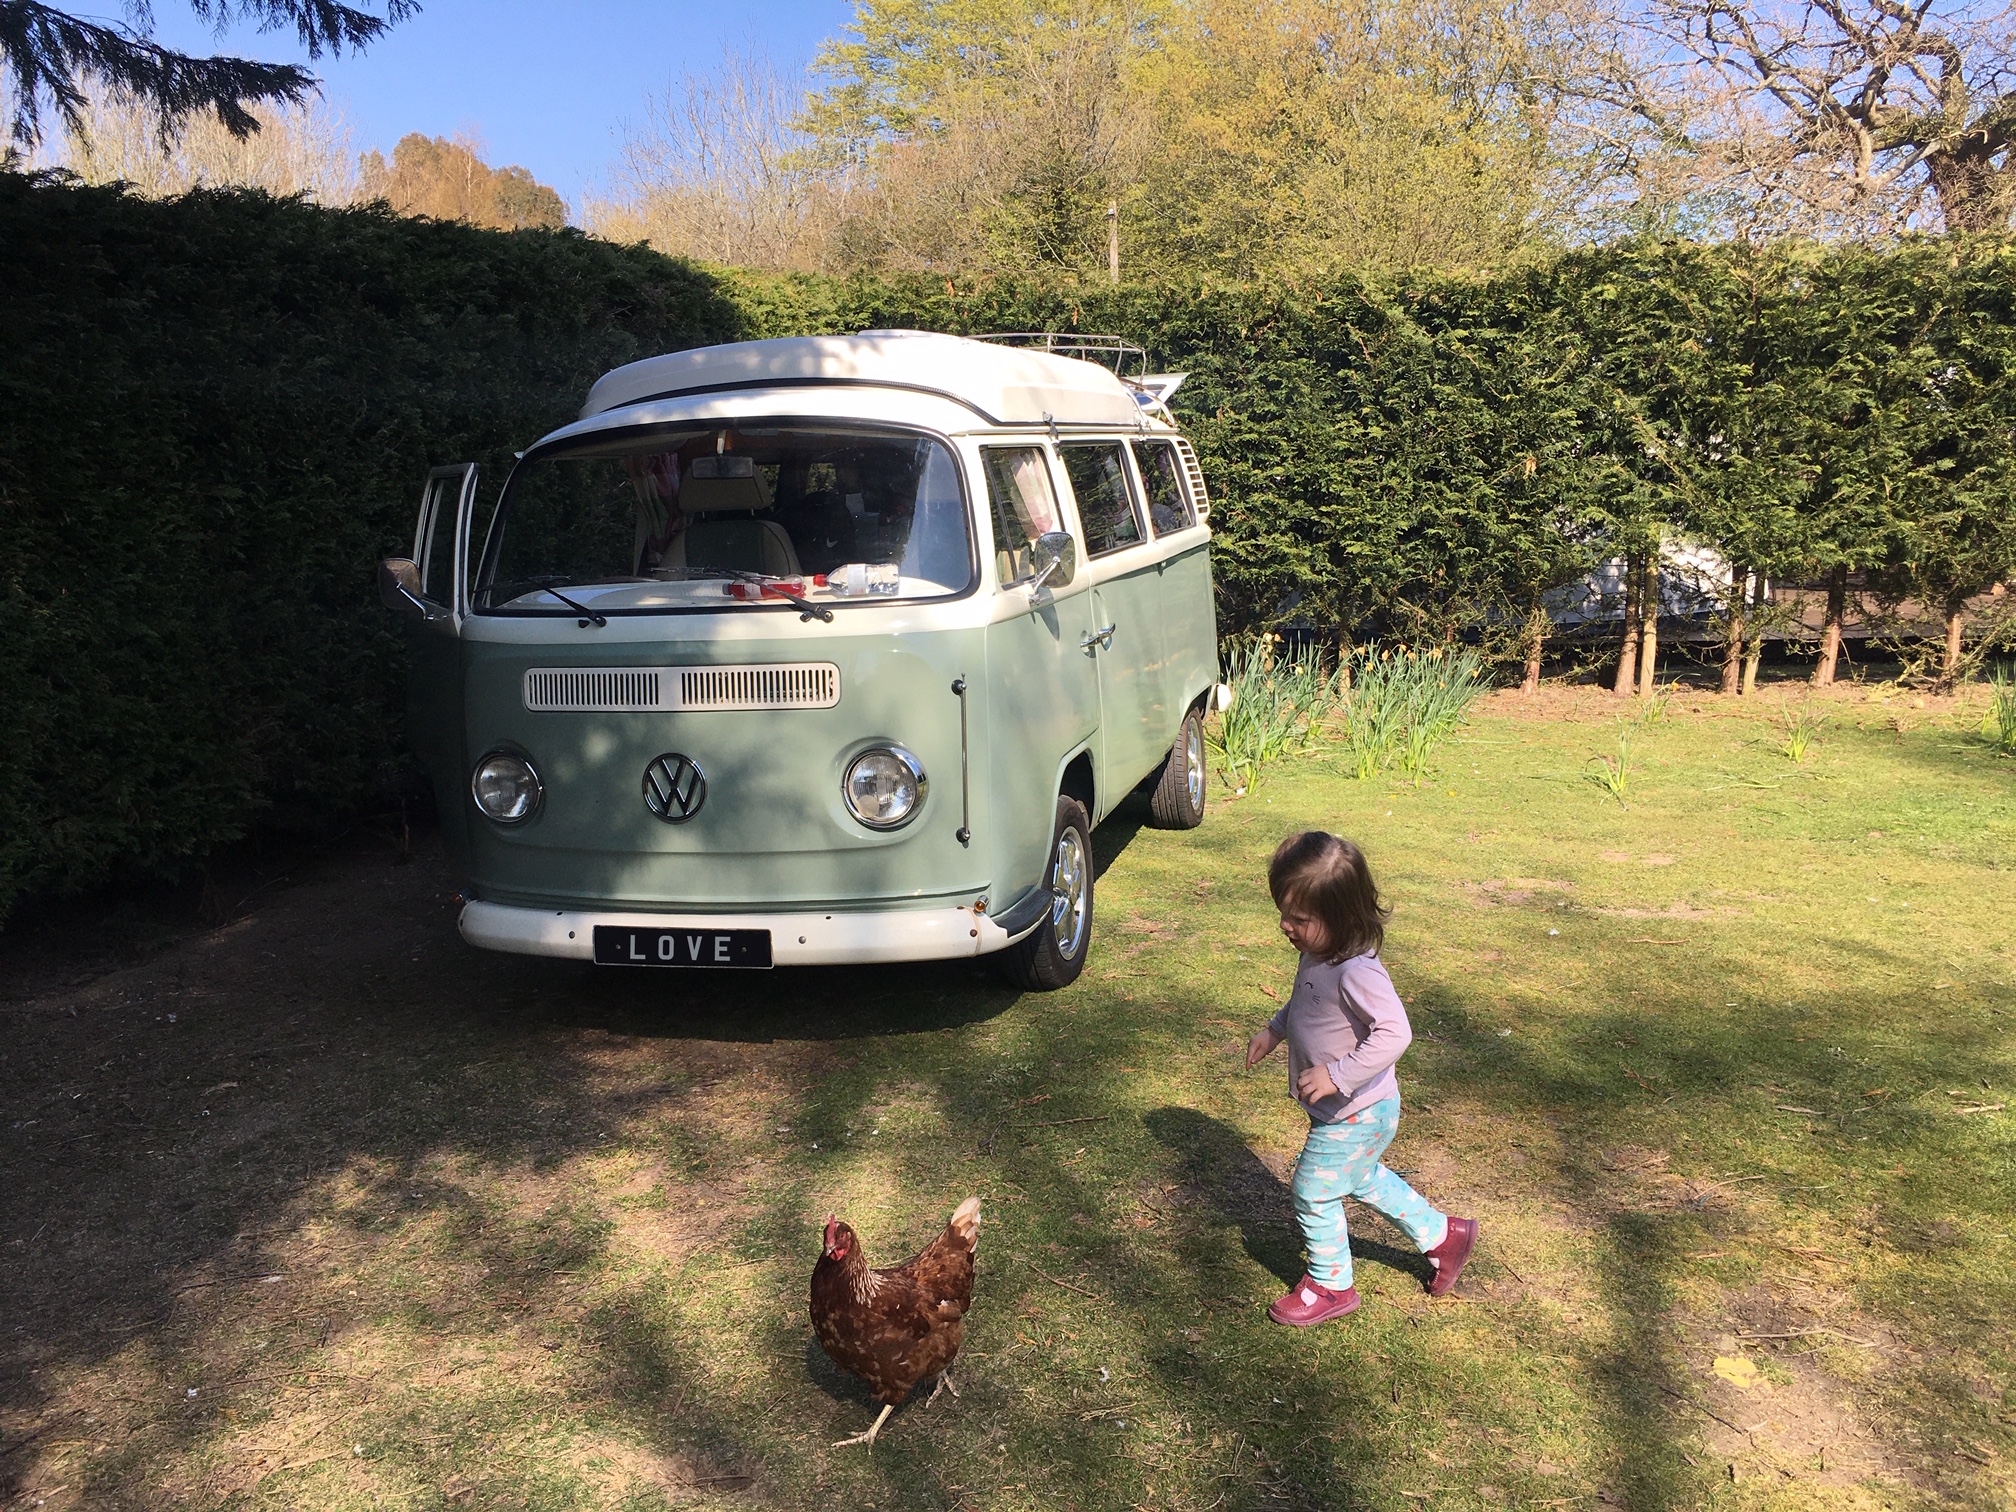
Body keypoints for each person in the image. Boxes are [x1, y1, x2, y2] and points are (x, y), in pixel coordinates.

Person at [1244, 832, 1477, 1325]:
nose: (1286, 926)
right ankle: (1444, 1236)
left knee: (1313, 1190)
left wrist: (1337, 1074)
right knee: (1361, 1177)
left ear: (1342, 916)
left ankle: (1331, 1285)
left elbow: (1395, 1033)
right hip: (1345, 1112)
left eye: (1299, 919)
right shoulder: (1318, 953)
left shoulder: (1357, 970)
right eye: (1283, 913)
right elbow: (1306, 1003)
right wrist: (1274, 1030)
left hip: (1359, 1112)